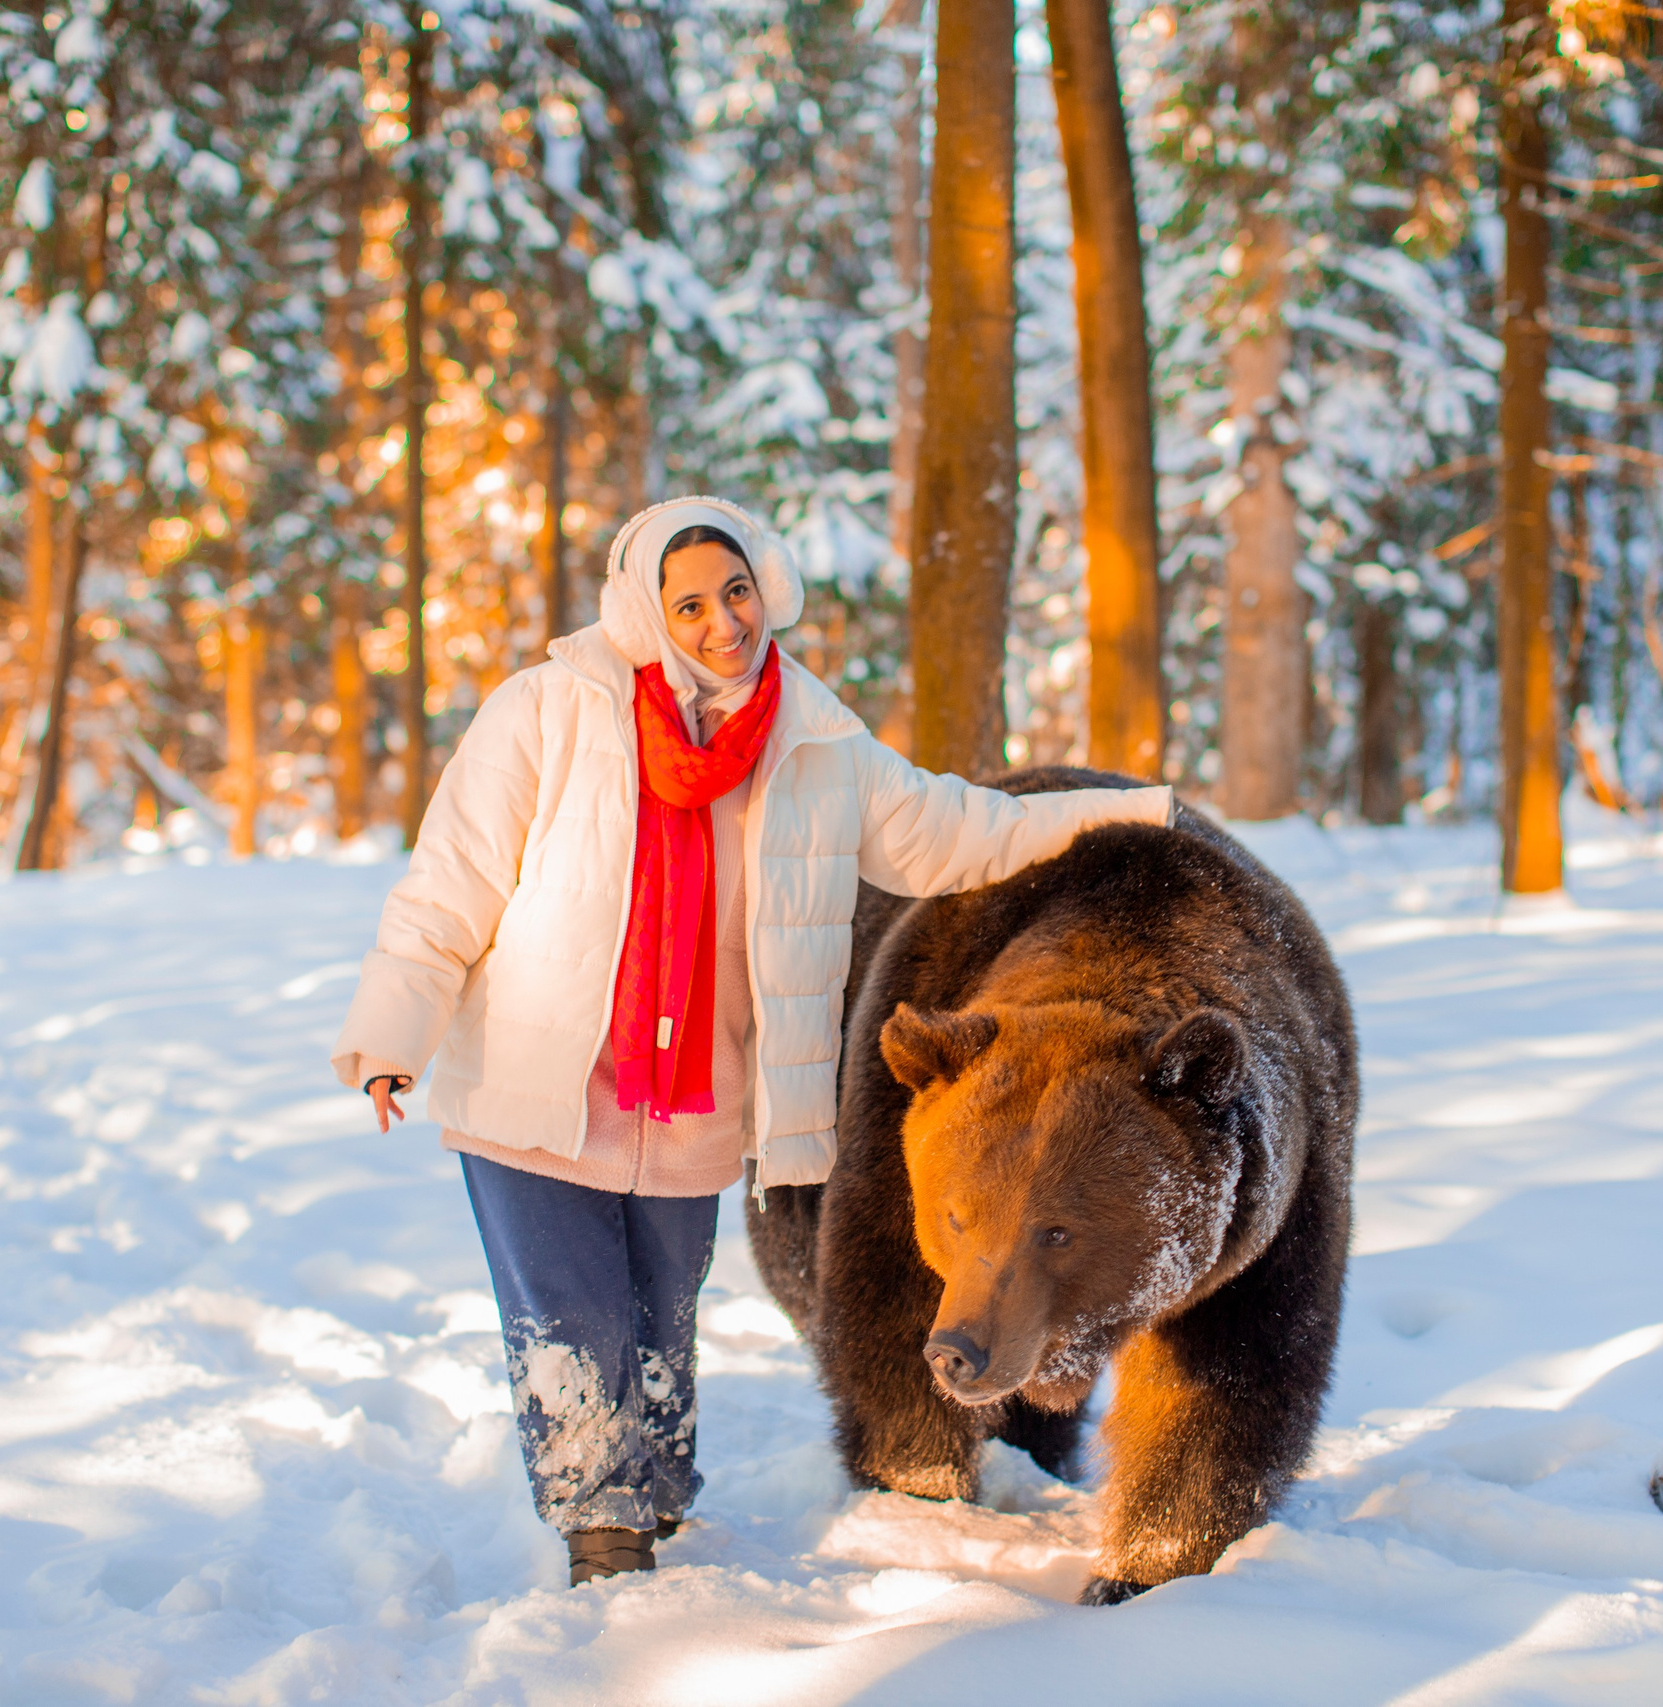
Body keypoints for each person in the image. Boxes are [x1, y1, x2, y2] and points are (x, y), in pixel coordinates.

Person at [330, 495, 1171, 1587]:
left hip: (694, 1095)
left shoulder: (814, 738)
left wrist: (1128, 813)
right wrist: (395, 1031)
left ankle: (654, 1494)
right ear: (642, 610)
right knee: (572, 1314)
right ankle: (604, 1527)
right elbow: (450, 884)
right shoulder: (547, 712)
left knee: (660, 1313)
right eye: (689, 603)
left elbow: (959, 831)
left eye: (735, 592)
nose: (721, 621)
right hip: (541, 1081)